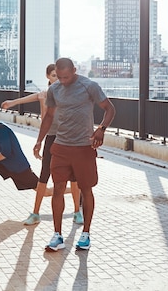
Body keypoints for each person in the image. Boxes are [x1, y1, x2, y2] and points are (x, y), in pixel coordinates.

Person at [35, 57, 115, 252]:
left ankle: (86, 234)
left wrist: (101, 129)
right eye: (59, 77)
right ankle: (57, 235)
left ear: (74, 70)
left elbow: (109, 109)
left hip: (83, 147)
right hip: (60, 146)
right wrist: (39, 140)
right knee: (58, 188)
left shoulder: (89, 86)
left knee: (86, 189)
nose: (62, 81)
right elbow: (49, 116)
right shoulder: (54, 89)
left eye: (66, 77)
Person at [1, 63, 83, 226]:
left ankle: (77, 211)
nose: (57, 79)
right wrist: (11, 103)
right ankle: (35, 213)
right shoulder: (44, 94)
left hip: (69, 139)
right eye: (54, 76)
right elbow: (23, 100)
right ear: (48, 77)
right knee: (44, 175)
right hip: (52, 138)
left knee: (73, 177)